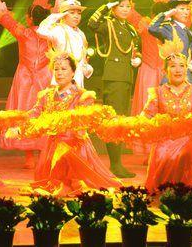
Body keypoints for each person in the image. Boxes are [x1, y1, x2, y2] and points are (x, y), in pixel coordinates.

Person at [26, 52, 121, 196]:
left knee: (73, 174)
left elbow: (85, 120)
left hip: (74, 145)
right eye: (56, 69)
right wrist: (19, 121)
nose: (59, 73)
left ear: (73, 72)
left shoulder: (81, 95)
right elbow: (35, 112)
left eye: (64, 69)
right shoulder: (47, 95)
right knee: (47, 179)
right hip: (52, 144)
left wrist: (80, 128)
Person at [142, 37, 192, 195]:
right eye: (173, 66)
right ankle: (166, 188)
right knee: (162, 151)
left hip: (189, 140)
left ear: (187, 69)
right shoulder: (158, 93)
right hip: (165, 140)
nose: (178, 70)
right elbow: (146, 117)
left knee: (186, 149)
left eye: (182, 66)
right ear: (165, 71)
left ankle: (186, 188)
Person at [87, 0, 141, 178]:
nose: (125, 9)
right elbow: (92, 23)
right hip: (114, 76)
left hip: (126, 76)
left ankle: (118, 163)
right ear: (113, 8)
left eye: (128, 6)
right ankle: (115, 164)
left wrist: (138, 58)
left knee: (122, 120)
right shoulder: (108, 24)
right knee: (114, 120)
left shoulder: (130, 28)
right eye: (121, 6)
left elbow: (135, 48)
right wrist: (106, 6)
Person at [0, 0, 52, 169]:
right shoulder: (51, 34)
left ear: (29, 18)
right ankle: (43, 155)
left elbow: (6, 17)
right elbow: (59, 13)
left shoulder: (23, 32)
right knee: (44, 113)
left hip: (25, 79)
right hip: (45, 78)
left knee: (25, 112)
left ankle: (29, 157)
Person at [127, 0, 168, 155]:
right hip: (161, 71)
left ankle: (149, 149)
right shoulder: (167, 29)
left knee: (148, 108)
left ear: (152, 13)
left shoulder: (147, 25)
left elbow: (131, 14)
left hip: (150, 72)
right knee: (161, 109)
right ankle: (158, 149)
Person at [37, 0, 93, 87]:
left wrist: (85, 67)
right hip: (62, 75)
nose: (76, 16)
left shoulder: (81, 33)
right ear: (64, 15)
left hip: (77, 76)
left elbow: (81, 57)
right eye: (72, 13)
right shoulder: (58, 30)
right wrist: (56, 16)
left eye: (79, 13)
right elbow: (40, 31)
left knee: (77, 95)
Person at [148, 0, 192, 83]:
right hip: (171, 77)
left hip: (186, 77)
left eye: (187, 9)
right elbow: (152, 28)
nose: (186, 12)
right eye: (182, 9)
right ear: (173, 11)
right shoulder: (168, 28)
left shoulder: (189, 32)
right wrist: (165, 14)